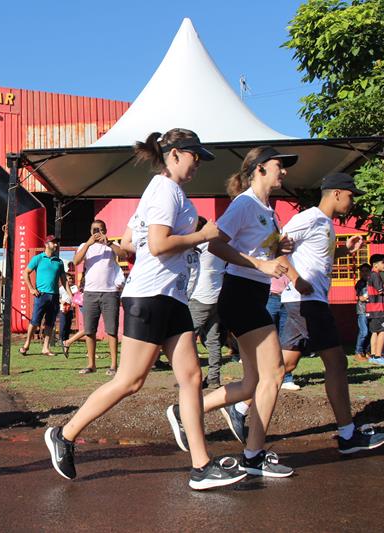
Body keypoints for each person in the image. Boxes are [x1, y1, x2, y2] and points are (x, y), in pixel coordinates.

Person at [45, 129, 246, 490]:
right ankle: (64, 433)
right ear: (174, 154)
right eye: (194, 156)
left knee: (192, 378)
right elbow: (157, 244)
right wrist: (202, 236)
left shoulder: (166, 193)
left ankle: (201, 466)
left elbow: (127, 243)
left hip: (173, 297)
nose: (198, 163)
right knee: (130, 381)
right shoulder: (165, 190)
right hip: (150, 297)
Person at [167, 146, 297, 478]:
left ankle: (187, 414)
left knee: (254, 382)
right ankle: (253, 457)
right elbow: (216, 244)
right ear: (259, 170)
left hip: (253, 293)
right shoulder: (244, 204)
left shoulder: (269, 210)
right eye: (279, 166)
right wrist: (261, 263)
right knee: (275, 373)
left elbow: (256, 247)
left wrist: (278, 249)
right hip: (240, 294)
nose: (284, 172)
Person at [273, 173, 384, 453]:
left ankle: (238, 406)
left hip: (305, 301)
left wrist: (343, 251)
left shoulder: (324, 224)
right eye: (350, 196)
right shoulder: (310, 217)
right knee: (337, 363)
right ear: (336, 193)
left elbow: (316, 255)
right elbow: (275, 246)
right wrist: (296, 278)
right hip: (306, 300)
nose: (352, 202)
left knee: (283, 367)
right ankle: (348, 435)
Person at [71, 220, 123, 376]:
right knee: (89, 330)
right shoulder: (84, 246)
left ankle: (114, 365)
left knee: (111, 330)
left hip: (110, 292)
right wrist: (88, 243)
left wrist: (109, 244)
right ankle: (91, 364)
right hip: (90, 293)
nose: (97, 232)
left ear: (105, 230)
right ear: (90, 231)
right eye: (95, 229)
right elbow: (76, 261)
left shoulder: (112, 245)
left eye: (100, 230)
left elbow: (124, 254)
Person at [19, 235, 70, 357]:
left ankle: (45, 348)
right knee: (35, 321)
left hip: (54, 296)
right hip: (41, 295)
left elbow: (64, 280)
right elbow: (25, 273)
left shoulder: (59, 262)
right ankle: (26, 345)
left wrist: (70, 295)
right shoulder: (38, 258)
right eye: (54, 243)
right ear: (46, 244)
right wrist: (31, 289)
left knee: (50, 323)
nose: (56, 245)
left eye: (57, 243)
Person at [188, 239, 226, 388]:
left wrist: (187, 295)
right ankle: (213, 378)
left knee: (188, 339)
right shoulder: (222, 247)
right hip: (217, 297)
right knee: (213, 341)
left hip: (199, 297)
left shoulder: (199, 247)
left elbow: (192, 274)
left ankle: (191, 378)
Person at [267, 275, 300, 391]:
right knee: (266, 339)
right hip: (271, 296)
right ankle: (263, 377)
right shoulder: (272, 257)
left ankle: (286, 378)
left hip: (289, 298)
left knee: (286, 340)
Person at [367, 254, 384, 366]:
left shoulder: (371, 275)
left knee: (375, 332)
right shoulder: (375, 276)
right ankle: (378, 356)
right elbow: (381, 290)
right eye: (383, 262)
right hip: (378, 308)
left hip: (372, 309)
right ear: (375, 265)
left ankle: (373, 355)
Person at [353, 263, 372, 361]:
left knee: (370, 332)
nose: (364, 273)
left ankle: (367, 351)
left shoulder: (372, 281)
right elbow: (361, 297)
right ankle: (358, 352)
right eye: (362, 271)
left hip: (372, 310)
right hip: (362, 310)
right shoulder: (360, 283)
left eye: (366, 271)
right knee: (364, 332)